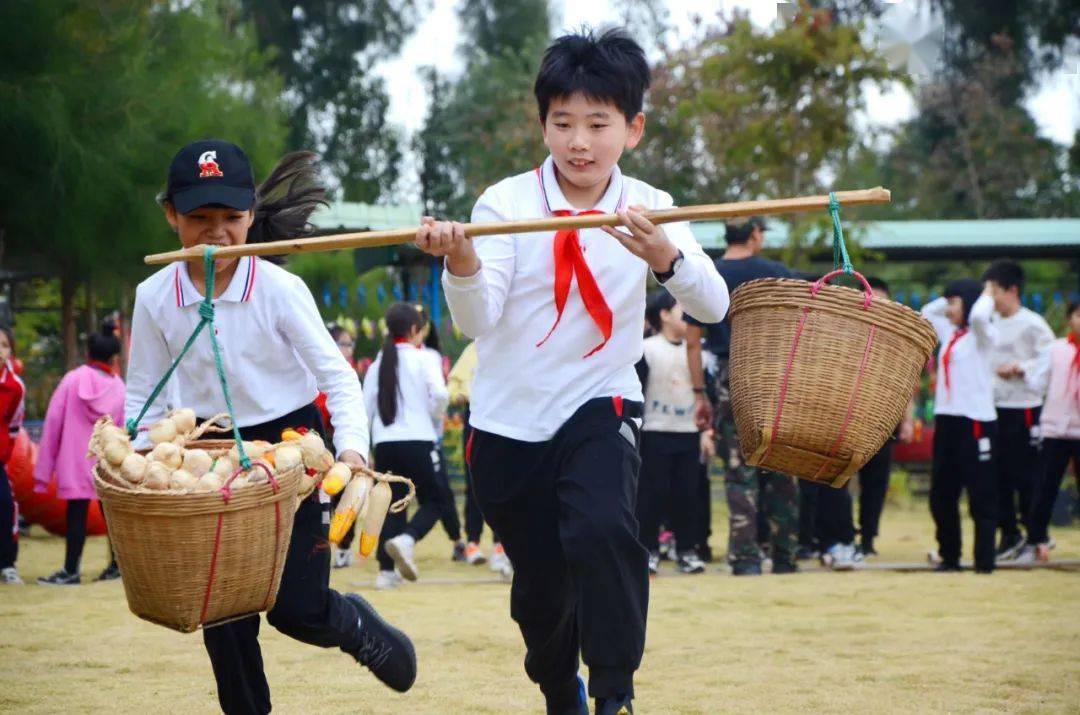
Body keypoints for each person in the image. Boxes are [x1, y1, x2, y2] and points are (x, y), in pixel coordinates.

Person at [414, 29, 728, 715]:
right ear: (543, 124)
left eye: (598, 123)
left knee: (604, 529)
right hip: (507, 424)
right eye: (563, 124)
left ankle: (615, 691)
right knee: (541, 590)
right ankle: (561, 686)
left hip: (600, 404)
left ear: (633, 127)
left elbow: (715, 302)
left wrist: (665, 256)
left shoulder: (652, 203)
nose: (580, 142)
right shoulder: (503, 206)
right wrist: (461, 263)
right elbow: (476, 319)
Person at [125, 140, 415, 713]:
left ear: (252, 216)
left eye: (231, 218)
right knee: (223, 611)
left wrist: (353, 452)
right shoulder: (154, 295)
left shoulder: (280, 291)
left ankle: (356, 626)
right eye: (198, 219)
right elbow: (143, 393)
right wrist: (139, 462)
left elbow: (338, 377)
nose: (216, 233)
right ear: (170, 215)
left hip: (292, 451)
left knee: (297, 610)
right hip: (207, 454)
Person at [686, 217, 798, 576]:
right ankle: (785, 556)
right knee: (782, 466)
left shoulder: (709, 274)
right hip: (775, 376)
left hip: (729, 373)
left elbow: (692, 340)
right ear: (754, 235)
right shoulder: (778, 274)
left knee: (739, 470)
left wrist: (700, 393)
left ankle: (746, 558)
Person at [364, 302, 450, 588]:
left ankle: (386, 573)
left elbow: (365, 409)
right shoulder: (426, 358)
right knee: (435, 501)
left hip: (385, 443)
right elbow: (440, 395)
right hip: (418, 439)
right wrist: (434, 416)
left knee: (393, 503)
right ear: (415, 329)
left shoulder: (377, 364)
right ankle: (407, 539)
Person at [35, 321, 125, 584]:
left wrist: (43, 472)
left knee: (75, 516)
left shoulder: (72, 380)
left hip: (73, 462)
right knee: (111, 516)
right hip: (106, 464)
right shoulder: (119, 387)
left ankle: (71, 570)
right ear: (114, 358)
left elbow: (52, 423)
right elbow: (122, 433)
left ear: (88, 353)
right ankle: (116, 566)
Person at [921, 279, 999, 573]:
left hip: (975, 421)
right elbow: (928, 311)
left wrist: (986, 293)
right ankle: (949, 556)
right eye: (949, 302)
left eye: (955, 302)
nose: (949, 308)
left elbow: (978, 316)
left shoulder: (984, 334)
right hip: (947, 419)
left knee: (981, 495)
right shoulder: (951, 332)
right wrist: (950, 297)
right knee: (942, 494)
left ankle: (984, 561)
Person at [981, 260, 1055, 561]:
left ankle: (1036, 537)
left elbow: (1050, 360)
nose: (991, 298)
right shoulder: (991, 325)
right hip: (995, 407)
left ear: (1012, 290)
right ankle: (1009, 533)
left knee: (1027, 475)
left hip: (1024, 408)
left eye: (994, 291)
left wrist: (1021, 368)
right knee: (998, 476)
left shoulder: (1033, 324)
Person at [635, 291, 705, 575]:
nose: (686, 316)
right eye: (680, 310)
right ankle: (648, 550)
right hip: (655, 430)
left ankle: (686, 550)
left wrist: (706, 432)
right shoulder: (647, 349)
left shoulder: (697, 350)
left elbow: (705, 391)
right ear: (663, 315)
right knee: (651, 494)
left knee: (687, 495)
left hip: (688, 430)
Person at [1019, 300, 1080, 562]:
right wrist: (1022, 370)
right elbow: (1037, 380)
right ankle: (1036, 541)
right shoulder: (1056, 350)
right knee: (1044, 487)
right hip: (1055, 429)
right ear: (1070, 320)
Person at [447, 340, 513, 577]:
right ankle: (473, 542)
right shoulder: (472, 350)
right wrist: (460, 395)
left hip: (505, 420)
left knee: (505, 483)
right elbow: (453, 388)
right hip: (475, 420)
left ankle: (502, 545)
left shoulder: (511, 344)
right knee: (475, 483)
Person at [414, 303, 468, 563]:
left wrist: (435, 421)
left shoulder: (430, 356)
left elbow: (439, 395)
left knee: (442, 491)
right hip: (417, 434)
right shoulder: (393, 357)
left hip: (427, 434)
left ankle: (457, 539)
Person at [0, 327, 25, 585]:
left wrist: (5, 452)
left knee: (6, 506)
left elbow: (14, 423)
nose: (0, 351)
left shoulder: (15, 387)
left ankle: (7, 564)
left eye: (4, 345)